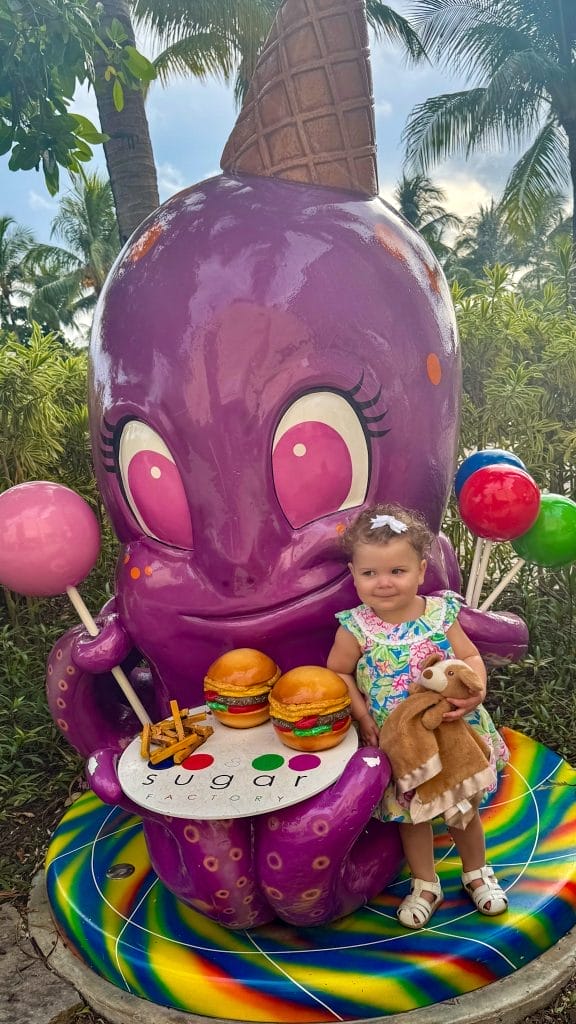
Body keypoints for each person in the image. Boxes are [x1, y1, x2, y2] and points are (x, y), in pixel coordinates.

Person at [327, 503, 509, 929]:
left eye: (397, 571)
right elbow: (337, 672)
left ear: (422, 569)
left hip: (450, 734)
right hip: (400, 743)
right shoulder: (355, 627)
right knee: (412, 815)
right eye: (370, 574)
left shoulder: (438, 614)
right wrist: (361, 716)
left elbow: (468, 655)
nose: (384, 583)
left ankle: (476, 871)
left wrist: (475, 692)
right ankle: (425, 883)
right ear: (353, 574)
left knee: (463, 806)